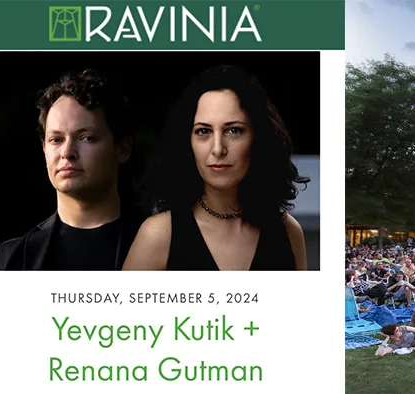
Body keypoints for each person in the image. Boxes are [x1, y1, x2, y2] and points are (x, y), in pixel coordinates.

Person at [124, 65, 308, 270]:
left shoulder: (289, 232)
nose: (218, 149)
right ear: (188, 142)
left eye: (234, 130)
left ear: (258, 138)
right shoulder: (158, 235)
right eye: (203, 131)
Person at [0, 69, 142, 270]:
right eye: (56, 139)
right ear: (44, 149)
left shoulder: (168, 249)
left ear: (122, 149)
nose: (67, 152)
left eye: (86, 137)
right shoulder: (9, 260)